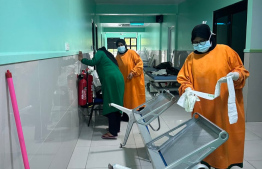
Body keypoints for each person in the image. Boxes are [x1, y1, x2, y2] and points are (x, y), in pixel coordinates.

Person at [177, 24, 249, 169]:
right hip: (203, 107)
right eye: (195, 42)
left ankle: (229, 162)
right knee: (204, 137)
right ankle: (206, 162)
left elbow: (241, 70)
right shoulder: (191, 58)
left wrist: (236, 75)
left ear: (210, 38)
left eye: (202, 40)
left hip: (225, 105)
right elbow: (183, 79)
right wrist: (188, 89)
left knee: (227, 135)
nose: (198, 44)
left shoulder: (225, 51)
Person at [78, 47, 125, 139]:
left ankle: (112, 132)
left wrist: (81, 59)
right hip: (118, 79)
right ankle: (115, 128)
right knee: (117, 103)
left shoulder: (100, 52)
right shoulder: (108, 55)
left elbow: (92, 62)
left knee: (111, 104)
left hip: (111, 80)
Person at [115, 39, 146, 121]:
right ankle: (126, 116)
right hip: (125, 81)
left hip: (135, 80)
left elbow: (140, 64)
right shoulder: (117, 57)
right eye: (118, 46)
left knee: (136, 98)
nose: (120, 47)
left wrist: (133, 72)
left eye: (121, 44)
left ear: (125, 45)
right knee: (126, 99)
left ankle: (138, 116)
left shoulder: (131, 53)